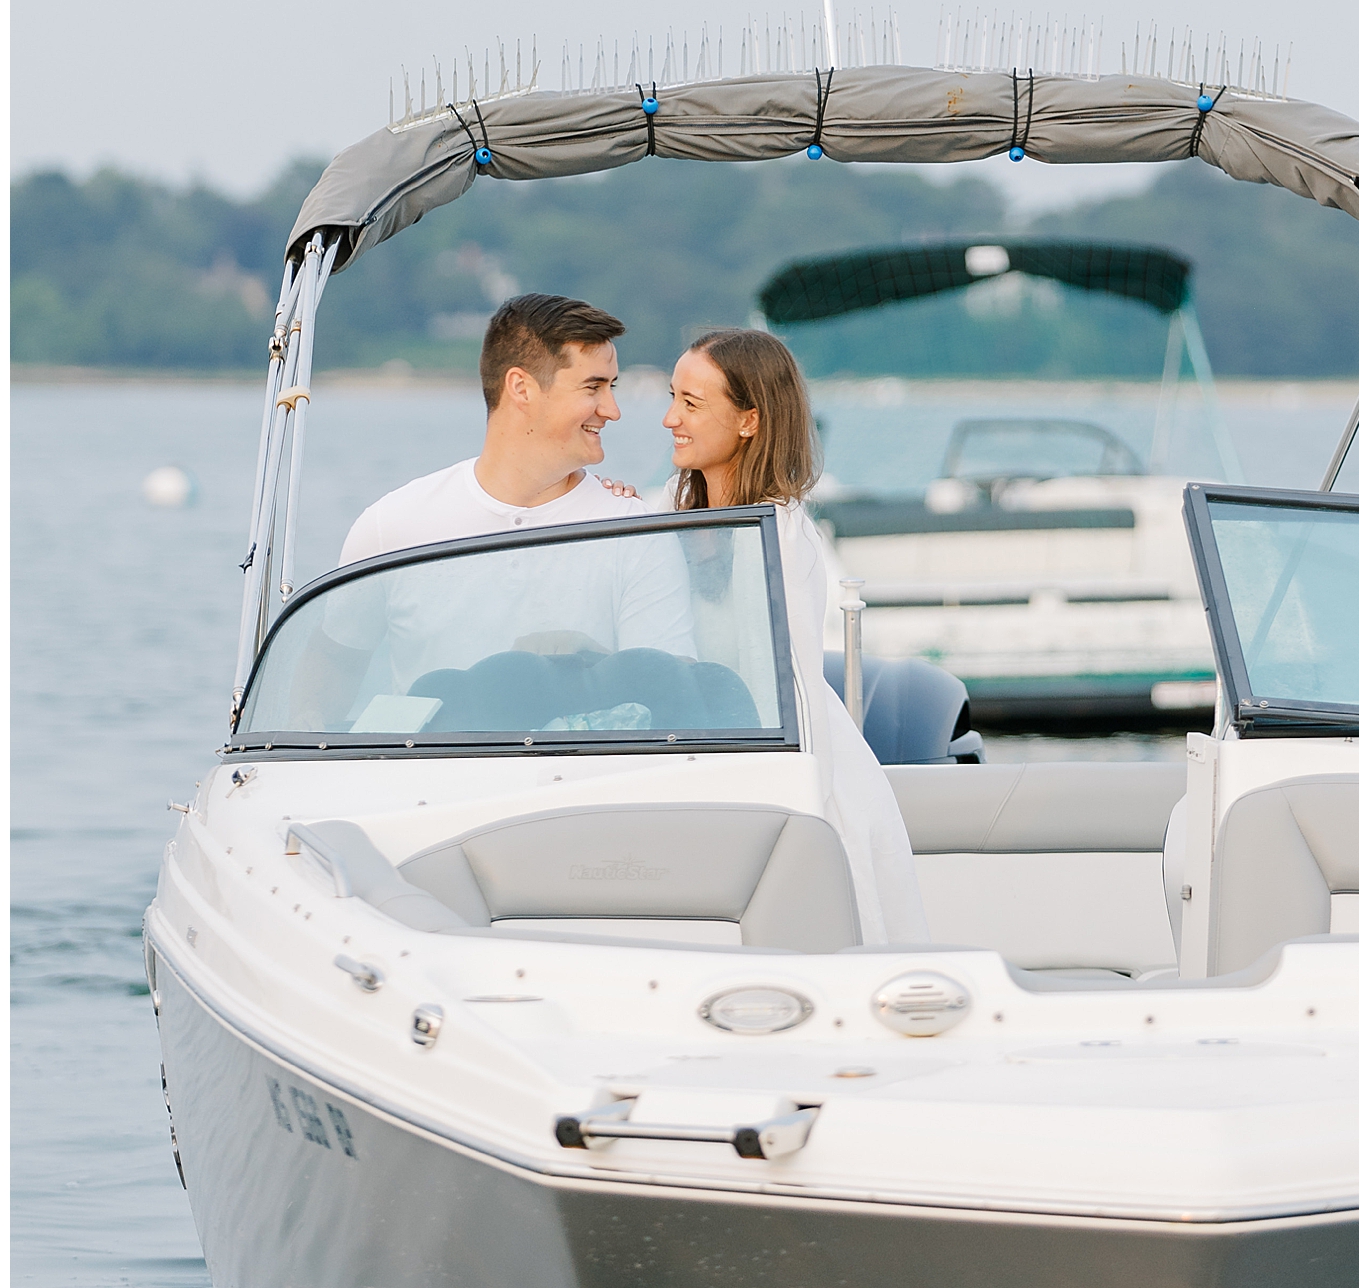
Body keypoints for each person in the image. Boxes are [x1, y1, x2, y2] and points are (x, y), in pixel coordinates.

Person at [296, 295, 693, 724]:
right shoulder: (391, 525)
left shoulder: (638, 533)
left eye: (611, 387)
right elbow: (324, 683)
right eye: (593, 387)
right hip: (429, 783)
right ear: (521, 388)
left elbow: (667, 700)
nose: (612, 410)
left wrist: (584, 659)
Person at [662, 327, 931, 947]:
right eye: (674, 397)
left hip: (795, 758)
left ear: (750, 420)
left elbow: (776, 683)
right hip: (702, 748)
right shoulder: (669, 525)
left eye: (692, 404)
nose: (671, 418)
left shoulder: (781, 536)